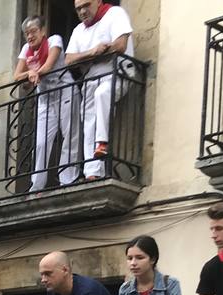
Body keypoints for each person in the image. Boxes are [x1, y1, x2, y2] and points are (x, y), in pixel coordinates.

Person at [64, 0, 135, 183]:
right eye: (78, 8)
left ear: (98, 1)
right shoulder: (78, 30)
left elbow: (120, 45)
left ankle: (102, 142)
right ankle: (92, 172)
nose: (82, 11)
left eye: (86, 5)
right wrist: (93, 53)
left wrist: (94, 55)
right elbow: (69, 60)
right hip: (91, 78)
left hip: (118, 72)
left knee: (102, 94)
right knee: (88, 120)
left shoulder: (115, 14)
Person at [13, 15, 69, 193]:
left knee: (69, 135)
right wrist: (30, 73)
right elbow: (17, 76)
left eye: (33, 31)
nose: (29, 36)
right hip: (45, 98)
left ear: (43, 31)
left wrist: (33, 72)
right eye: (26, 33)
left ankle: (68, 178)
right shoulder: (26, 50)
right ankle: (37, 185)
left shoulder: (55, 40)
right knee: (41, 142)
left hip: (65, 91)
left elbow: (49, 66)